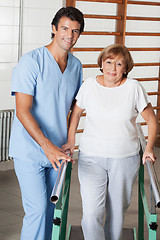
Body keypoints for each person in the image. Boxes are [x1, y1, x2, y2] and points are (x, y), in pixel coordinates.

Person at [62, 44, 158, 240]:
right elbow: (76, 113)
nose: (112, 69)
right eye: (108, 62)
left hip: (125, 158)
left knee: (115, 214)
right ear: (101, 64)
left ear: (126, 68)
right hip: (91, 157)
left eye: (119, 64)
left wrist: (148, 148)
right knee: (91, 213)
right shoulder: (89, 85)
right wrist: (71, 139)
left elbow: (151, 120)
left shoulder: (134, 88)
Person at [9, 6, 84, 240]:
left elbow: (76, 108)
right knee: (38, 210)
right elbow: (22, 111)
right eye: (64, 28)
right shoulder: (31, 61)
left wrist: (71, 139)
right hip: (29, 149)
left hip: (59, 150)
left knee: (53, 211)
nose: (69, 35)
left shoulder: (76, 66)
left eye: (75, 31)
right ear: (54, 28)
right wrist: (45, 145)